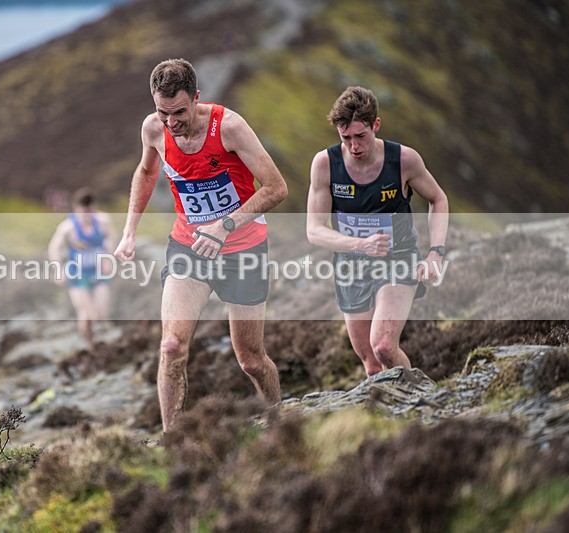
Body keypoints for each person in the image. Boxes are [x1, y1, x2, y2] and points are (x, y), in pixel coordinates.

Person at [114, 58, 288, 432]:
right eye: (163, 113)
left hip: (243, 249)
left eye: (179, 112)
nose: (171, 123)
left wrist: (224, 225)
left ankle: (280, 422)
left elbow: (277, 188)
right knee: (172, 348)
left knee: (252, 361)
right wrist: (129, 231)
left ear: (196, 97)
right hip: (188, 249)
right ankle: (172, 440)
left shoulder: (230, 127)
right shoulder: (154, 129)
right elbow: (146, 172)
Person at [306, 86, 449, 377]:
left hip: (398, 260)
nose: (354, 146)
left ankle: (417, 401)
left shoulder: (404, 160)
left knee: (384, 346)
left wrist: (436, 253)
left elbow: (438, 199)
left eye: (361, 136)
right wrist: (360, 245)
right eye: (345, 138)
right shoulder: (325, 164)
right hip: (351, 266)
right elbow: (314, 230)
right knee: (371, 364)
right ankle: (393, 416)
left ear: (376, 125)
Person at [48, 187, 115, 346]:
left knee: (100, 314)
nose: (88, 215)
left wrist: (108, 259)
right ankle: (90, 344)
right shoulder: (68, 227)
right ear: (76, 209)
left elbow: (112, 237)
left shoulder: (103, 221)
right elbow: (53, 247)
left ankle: (99, 340)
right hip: (77, 275)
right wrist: (58, 269)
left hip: (98, 272)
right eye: (84, 212)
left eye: (91, 211)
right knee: (88, 313)